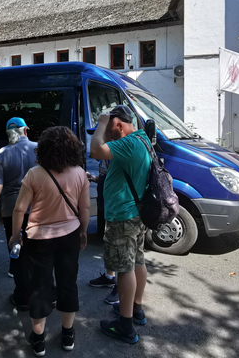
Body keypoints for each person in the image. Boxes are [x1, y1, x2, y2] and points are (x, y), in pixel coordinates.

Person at [9, 126, 90, 356]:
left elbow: (19, 210)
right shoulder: (80, 173)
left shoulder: (35, 174)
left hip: (39, 240)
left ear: (43, 148)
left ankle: (38, 340)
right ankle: (67, 334)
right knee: (68, 283)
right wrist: (83, 232)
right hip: (69, 237)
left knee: (40, 287)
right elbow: (84, 208)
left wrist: (16, 235)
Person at [90, 105, 151, 344]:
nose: (108, 132)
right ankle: (136, 309)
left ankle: (125, 326)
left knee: (124, 268)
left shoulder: (127, 144)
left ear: (119, 124)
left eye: (111, 127)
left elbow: (95, 149)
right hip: (136, 213)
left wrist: (101, 122)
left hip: (123, 216)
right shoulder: (142, 139)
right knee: (137, 261)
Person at [0, 116, 37, 311]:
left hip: (10, 209)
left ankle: (22, 296)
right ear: (25, 130)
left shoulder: (2, 153)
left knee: (16, 250)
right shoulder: (38, 148)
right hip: (36, 209)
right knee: (37, 251)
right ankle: (43, 292)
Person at [87, 159, 119, 306]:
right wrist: (95, 178)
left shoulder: (120, 151)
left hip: (119, 209)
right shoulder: (110, 154)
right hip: (108, 205)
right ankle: (109, 276)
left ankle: (122, 290)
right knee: (110, 244)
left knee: (122, 251)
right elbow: (108, 175)